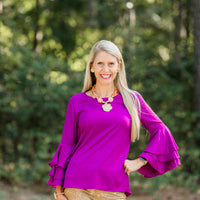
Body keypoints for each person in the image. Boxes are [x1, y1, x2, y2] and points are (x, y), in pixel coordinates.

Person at [47, 40, 180, 200]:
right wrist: (59, 191)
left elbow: (161, 131)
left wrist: (140, 161)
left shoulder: (132, 99)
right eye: (100, 63)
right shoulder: (77, 102)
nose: (105, 69)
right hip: (77, 185)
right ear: (91, 66)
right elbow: (67, 145)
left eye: (111, 63)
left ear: (119, 66)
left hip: (114, 187)